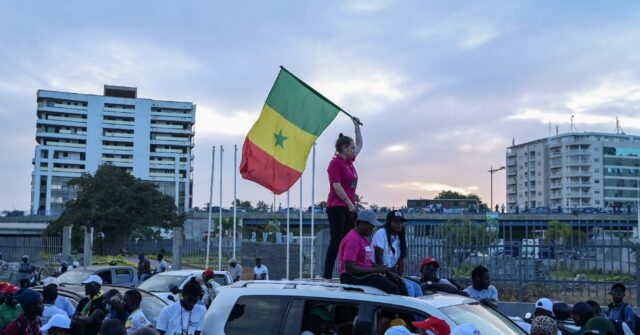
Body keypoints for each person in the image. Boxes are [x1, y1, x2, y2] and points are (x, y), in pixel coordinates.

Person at [323, 117, 362, 280]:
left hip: (348, 207)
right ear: (344, 147)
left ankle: (347, 271)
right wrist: (349, 204)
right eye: (351, 147)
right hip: (337, 206)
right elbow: (337, 187)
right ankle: (327, 275)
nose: (354, 150)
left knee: (349, 239)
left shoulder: (349, 161)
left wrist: (356, 127)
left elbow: (360, 145)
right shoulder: (335, 163)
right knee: (336, 239)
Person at [338, 210, 401, 294]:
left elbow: (367, 261)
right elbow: (349, 268)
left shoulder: (362, 237)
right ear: (361, 224)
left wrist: (386, 271)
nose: (373, 229)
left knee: (398, 284)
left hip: (363, 274)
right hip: (352, 277)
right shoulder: (352, 239)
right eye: (371, 227)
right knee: (393, 289)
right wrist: (375, 270)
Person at [372, 210, 421, 297]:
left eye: (401, 222)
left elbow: (400, 262)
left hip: (390, 272)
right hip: (378, 271)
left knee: (417, 288)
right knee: (408, 288)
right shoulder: (381, 233)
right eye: (396, 222)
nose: (400, 224)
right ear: (389, 222)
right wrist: (392, 276)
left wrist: (399, 277)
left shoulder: (402, 238)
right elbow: (379, 260)